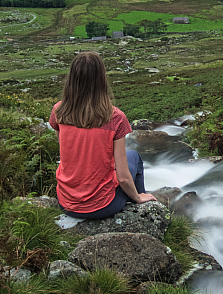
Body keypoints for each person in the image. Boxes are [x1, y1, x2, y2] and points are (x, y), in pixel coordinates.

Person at [48, 50, 157, 218]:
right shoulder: (115, 117)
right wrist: (137, 196)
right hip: (103, 205)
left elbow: (67, 153)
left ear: (72, 79)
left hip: (66, 203)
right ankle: (139, 205)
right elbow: (123, 177)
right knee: (134, 156)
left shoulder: (59, 111)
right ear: (101, 79)